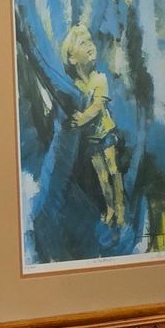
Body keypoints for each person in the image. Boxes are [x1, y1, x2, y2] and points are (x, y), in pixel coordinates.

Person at [59, 19, 123, 230]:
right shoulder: (74, 86)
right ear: (72, 58)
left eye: (90, 41)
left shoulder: (100, 79)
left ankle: (120, 208)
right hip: (91, 138)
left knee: (113, 170)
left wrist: (82, 118)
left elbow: (98, 105)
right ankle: (110, 208)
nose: (90, 46)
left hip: (105, 132)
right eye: (83, 43)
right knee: (102, 176)